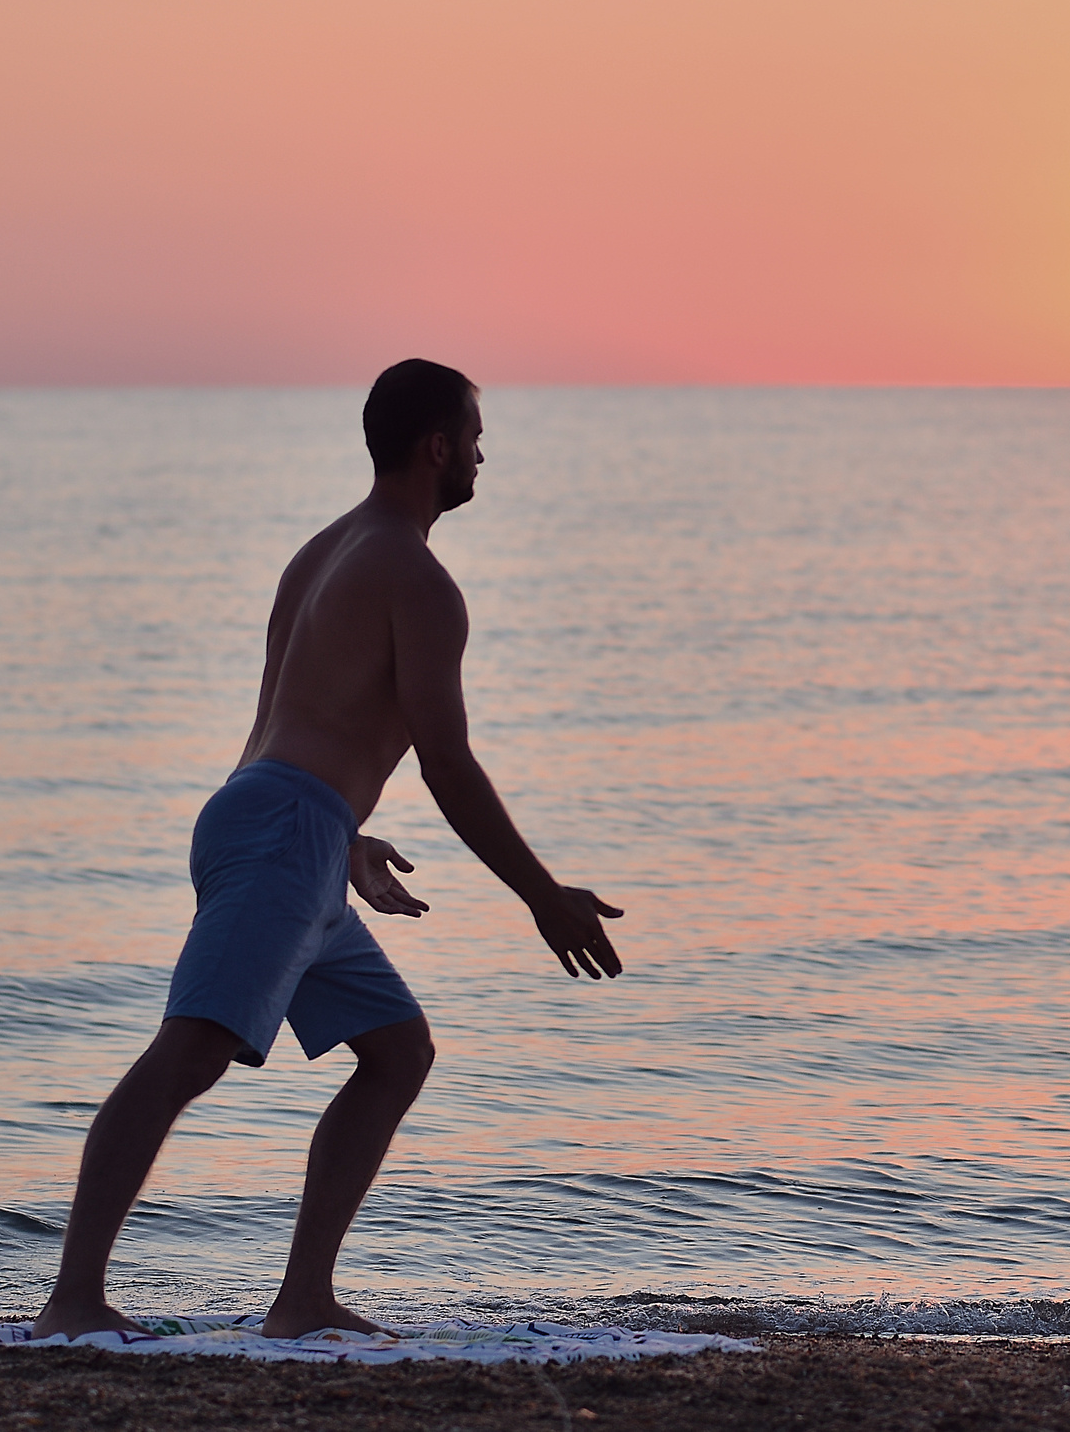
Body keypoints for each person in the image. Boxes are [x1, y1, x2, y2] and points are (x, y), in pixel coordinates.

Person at [32, 359, 626, 1340]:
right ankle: (73, 1299)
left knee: (397, 1052)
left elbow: (294, 713)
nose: (483, 452)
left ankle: (302, 1300)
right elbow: (447, 763)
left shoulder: (323, 551)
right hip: (284, 831)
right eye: (475, 434)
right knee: (188, 1053)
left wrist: (339, 830)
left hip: (274, 820)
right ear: (437, 446)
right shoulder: (417, 579)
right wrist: (540, 893)